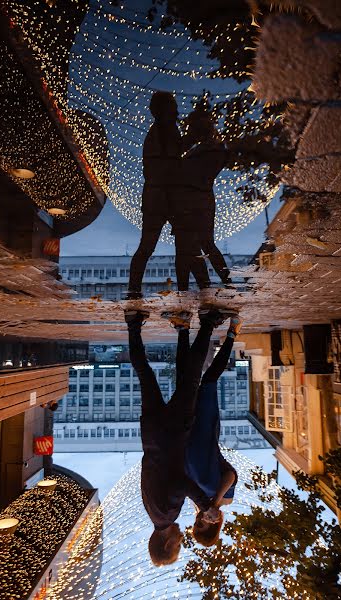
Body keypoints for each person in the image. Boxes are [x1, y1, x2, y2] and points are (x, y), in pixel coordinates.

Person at [124, 306, 233, 565]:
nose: (182, 539)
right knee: (145, 375)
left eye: (178, 545)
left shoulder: (166, 514)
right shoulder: (153, 512)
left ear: (167, 543)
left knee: (191, 379)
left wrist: (206, 506)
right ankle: (133, 324)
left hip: (172, 433)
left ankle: (208, 322)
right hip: (151, 434)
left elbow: (180, 484)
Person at [128, 91, 210, 296]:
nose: (176, 109)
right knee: (186, 245)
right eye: (172, 105)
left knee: (151, 247)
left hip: (158, 197)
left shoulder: (161, 130)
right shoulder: (164, 130)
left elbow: (171, 157)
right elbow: (173, 158)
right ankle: (205, 288)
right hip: (166, 197)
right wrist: (194, 136)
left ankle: (134, 290)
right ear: (163, 109)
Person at [185, 314, 242, 546]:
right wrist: (215, 503)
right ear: (213, 524)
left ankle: (197, 329)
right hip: (206, 430)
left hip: (187, 429)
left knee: (190, 380)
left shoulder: (193, 499)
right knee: (209, 381)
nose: (198, 520)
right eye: (202, 524)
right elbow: (231, 475)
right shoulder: (225, 500)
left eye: (195, 523)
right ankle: (231, 334)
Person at [173, 109, 231, 289]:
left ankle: (223, 283)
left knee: (197, 246)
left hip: (194, 202)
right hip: (193, 201)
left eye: (192, 126)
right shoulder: (206, 147)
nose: (189, 130)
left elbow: (192, 174)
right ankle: (215, 285)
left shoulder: (211, 149)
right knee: (192, 248)